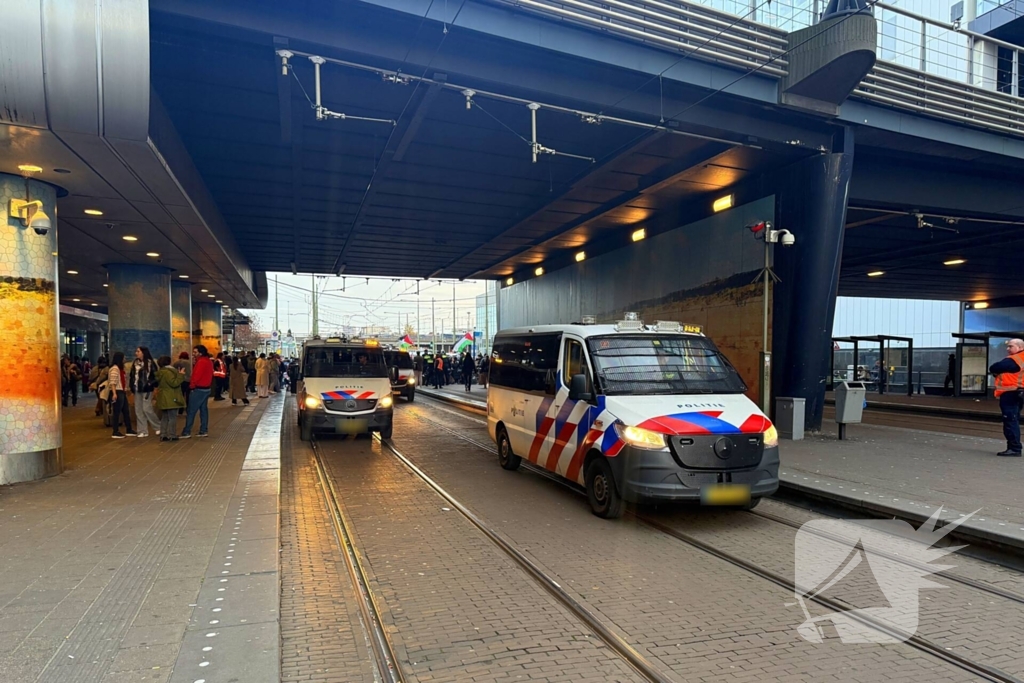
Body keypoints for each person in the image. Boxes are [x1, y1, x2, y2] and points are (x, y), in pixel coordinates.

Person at [990, 338, 1024, 457]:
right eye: (1008, 346)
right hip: (1019, 393)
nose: (1008, 349)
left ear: (1020, 347)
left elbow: (995, 367)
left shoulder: (1015, 359)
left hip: (1011, 393)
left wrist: (997, 371)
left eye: (1011, 346)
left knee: (1010, 420)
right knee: (1014, 418)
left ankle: (1014, 448)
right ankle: (1014, 447)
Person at [181, 345, 214, 439]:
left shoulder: (201, 362)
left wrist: (192, 386)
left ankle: (186, 431)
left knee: (191, 410)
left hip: (198, 389)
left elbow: (196, 375)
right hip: (206, 388)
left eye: (195, 352)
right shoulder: (208, 361)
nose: (193, 354)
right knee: (203, 410)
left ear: (200, 352)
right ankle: (203, 430)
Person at [129, 346, 162, 437]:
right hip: (137, 389)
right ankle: (142, 431)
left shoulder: (150, 363)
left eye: (138, 351)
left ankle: (158, 426)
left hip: (147, 389)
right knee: (138, 410)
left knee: (147, 409)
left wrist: (150, 384)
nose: (136, 353)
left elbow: (156, 376)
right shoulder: (135, 363)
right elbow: (132, 376)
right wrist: (131, 387)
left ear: (143, 352)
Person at [154, 355, 185, 441]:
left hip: (163, 397)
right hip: (171, 397)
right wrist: (181, 375)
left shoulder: (161, 372)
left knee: (165, 417)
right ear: (169, 362)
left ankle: (163, 434)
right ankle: (172, 435)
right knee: (172, 417)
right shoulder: (169, 372)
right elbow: (174, 383)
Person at [108, 352, 136, 438]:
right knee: (117, 412)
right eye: (123, 358)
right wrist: (114, 393)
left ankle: (129, 429)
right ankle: (115, 431)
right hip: (117, 391)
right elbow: (113, 382)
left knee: (126, 411)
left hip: (121, 391)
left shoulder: (120, 369)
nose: (125, 359)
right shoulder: (114, 369)